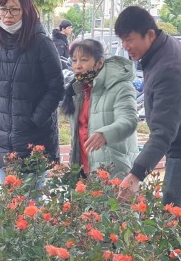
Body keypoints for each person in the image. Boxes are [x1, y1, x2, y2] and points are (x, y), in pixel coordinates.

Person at [114, 6, 181, 212]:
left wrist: (136, 175)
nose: (126, 46)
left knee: (175, 217)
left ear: (150, 35)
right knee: (180, 214)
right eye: (122, 40)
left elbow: (164, 131)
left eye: (129, 39)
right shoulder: (160, 50)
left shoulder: (170, 68)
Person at [0, 0, 65, 181]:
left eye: (14, 9)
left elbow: (56, 88)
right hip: (3, 139)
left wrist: (34, 119)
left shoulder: (42, 44)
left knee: (32, 206)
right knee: (10, 204)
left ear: (26, 11)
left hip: (35, 138)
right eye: (3, 9)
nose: (8, 15)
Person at [59, 38, 139, 179]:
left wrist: (105, 134)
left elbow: (129, 121)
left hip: (113, 170)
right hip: (82, 169)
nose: (77, 65)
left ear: (99, 63)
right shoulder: (78, 90)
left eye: (83, 60)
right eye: (74, 60)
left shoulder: (120, 86)